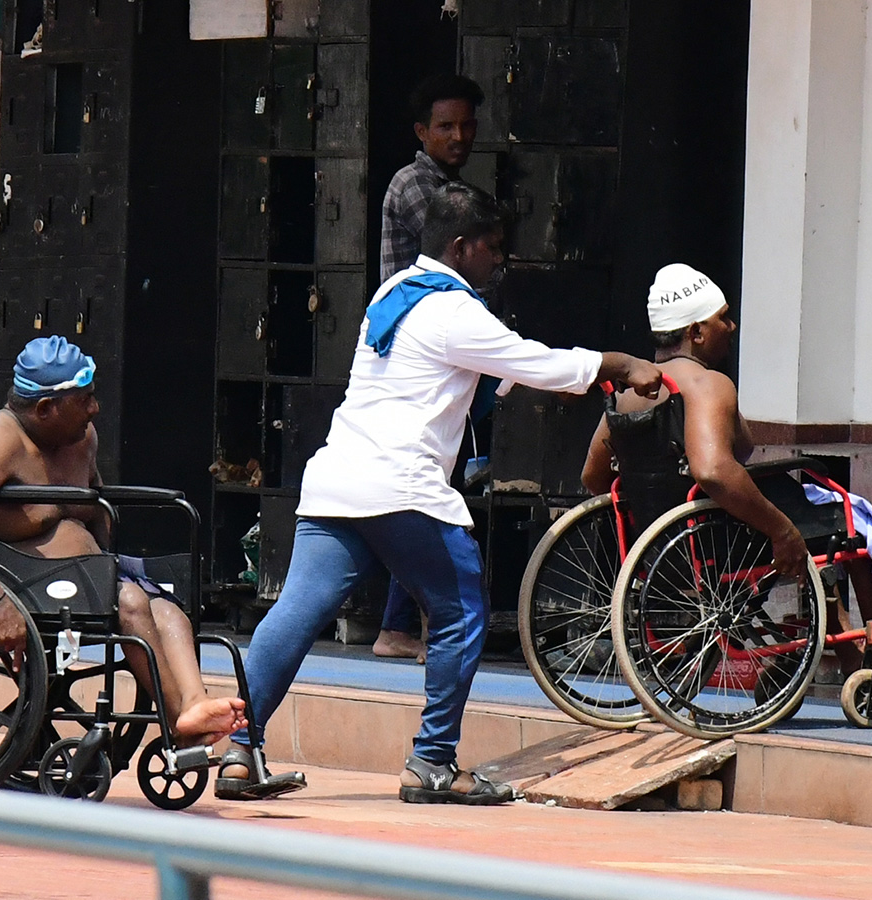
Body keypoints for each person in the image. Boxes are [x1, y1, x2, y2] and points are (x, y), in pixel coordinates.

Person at [216, 182, 663, 805]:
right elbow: (525, 359)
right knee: (459, 612)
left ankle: (240, 751)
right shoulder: (455, 311)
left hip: (338, 480)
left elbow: (472, 371)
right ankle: (432, 762)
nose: (500, 261)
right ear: (461, 247)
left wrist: (552, 377)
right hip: (400, 486)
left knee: (294, 614)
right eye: (494, 248)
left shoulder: (393, 293)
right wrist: (616, 365)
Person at [581, 263, 872, 672]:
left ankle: (850, 647)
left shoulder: (625, 396)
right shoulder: (706, 385)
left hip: (667, 542)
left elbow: (594, 478)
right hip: (721, 535)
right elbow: (714, 470)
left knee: (821, 520)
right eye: (722, 317)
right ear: (696, 332)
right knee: (846, 516)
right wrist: (781, 530)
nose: (733, 325)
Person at [0, 336, 247, 747]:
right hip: (12, 579)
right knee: (132, 602)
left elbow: (96, 504)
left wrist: (109, 557)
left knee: (167, 609)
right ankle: (181, 725)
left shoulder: (80, 439)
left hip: (80, 577)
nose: (94, 409)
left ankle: (193, 704)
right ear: (46, 409)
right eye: (84, 400)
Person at [375, 73, 485, 661]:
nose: (459, 135)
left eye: (467, 124)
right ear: (422, 131)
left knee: (425, 486)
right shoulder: (419, 187)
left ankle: (399, 624)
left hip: (424, 352)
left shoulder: (444, 185)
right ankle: (411, 624)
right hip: (413, 359)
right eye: (446, 125)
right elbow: (455, 256)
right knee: (423, 490)